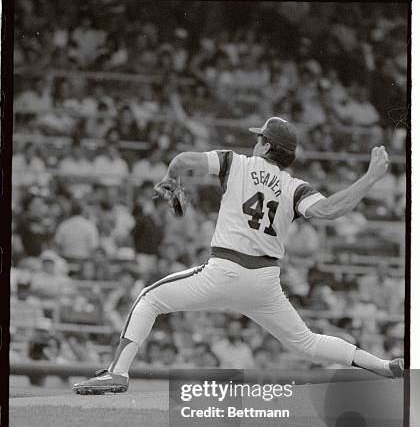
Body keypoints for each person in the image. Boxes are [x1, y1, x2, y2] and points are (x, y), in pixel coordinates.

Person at [73, 116, 403, 394]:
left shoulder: (236, 162)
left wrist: (171, 181)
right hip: (264, 283)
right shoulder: (294, 187)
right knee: (307, 343)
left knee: (148, 299)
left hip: (225, 270)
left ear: (266, 145)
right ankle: (385, 366)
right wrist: (371, 177)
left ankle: (118, 373)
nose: (255, 142)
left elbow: (183, 161)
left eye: (260, 138)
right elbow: (331, 210)